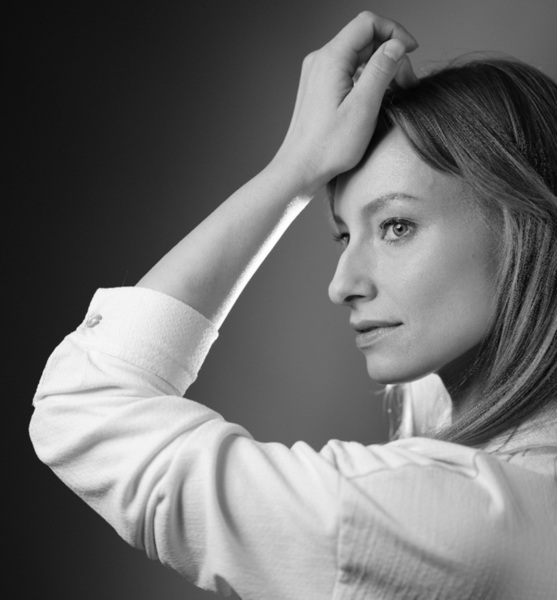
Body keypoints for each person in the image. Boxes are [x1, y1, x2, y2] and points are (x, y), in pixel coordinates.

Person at [29, 11, 556, 600]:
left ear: (525, 231)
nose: (341, 283)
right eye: (343, 236)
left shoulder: (445, 518)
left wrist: (298, 167)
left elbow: (82, 406)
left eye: (396, 225)